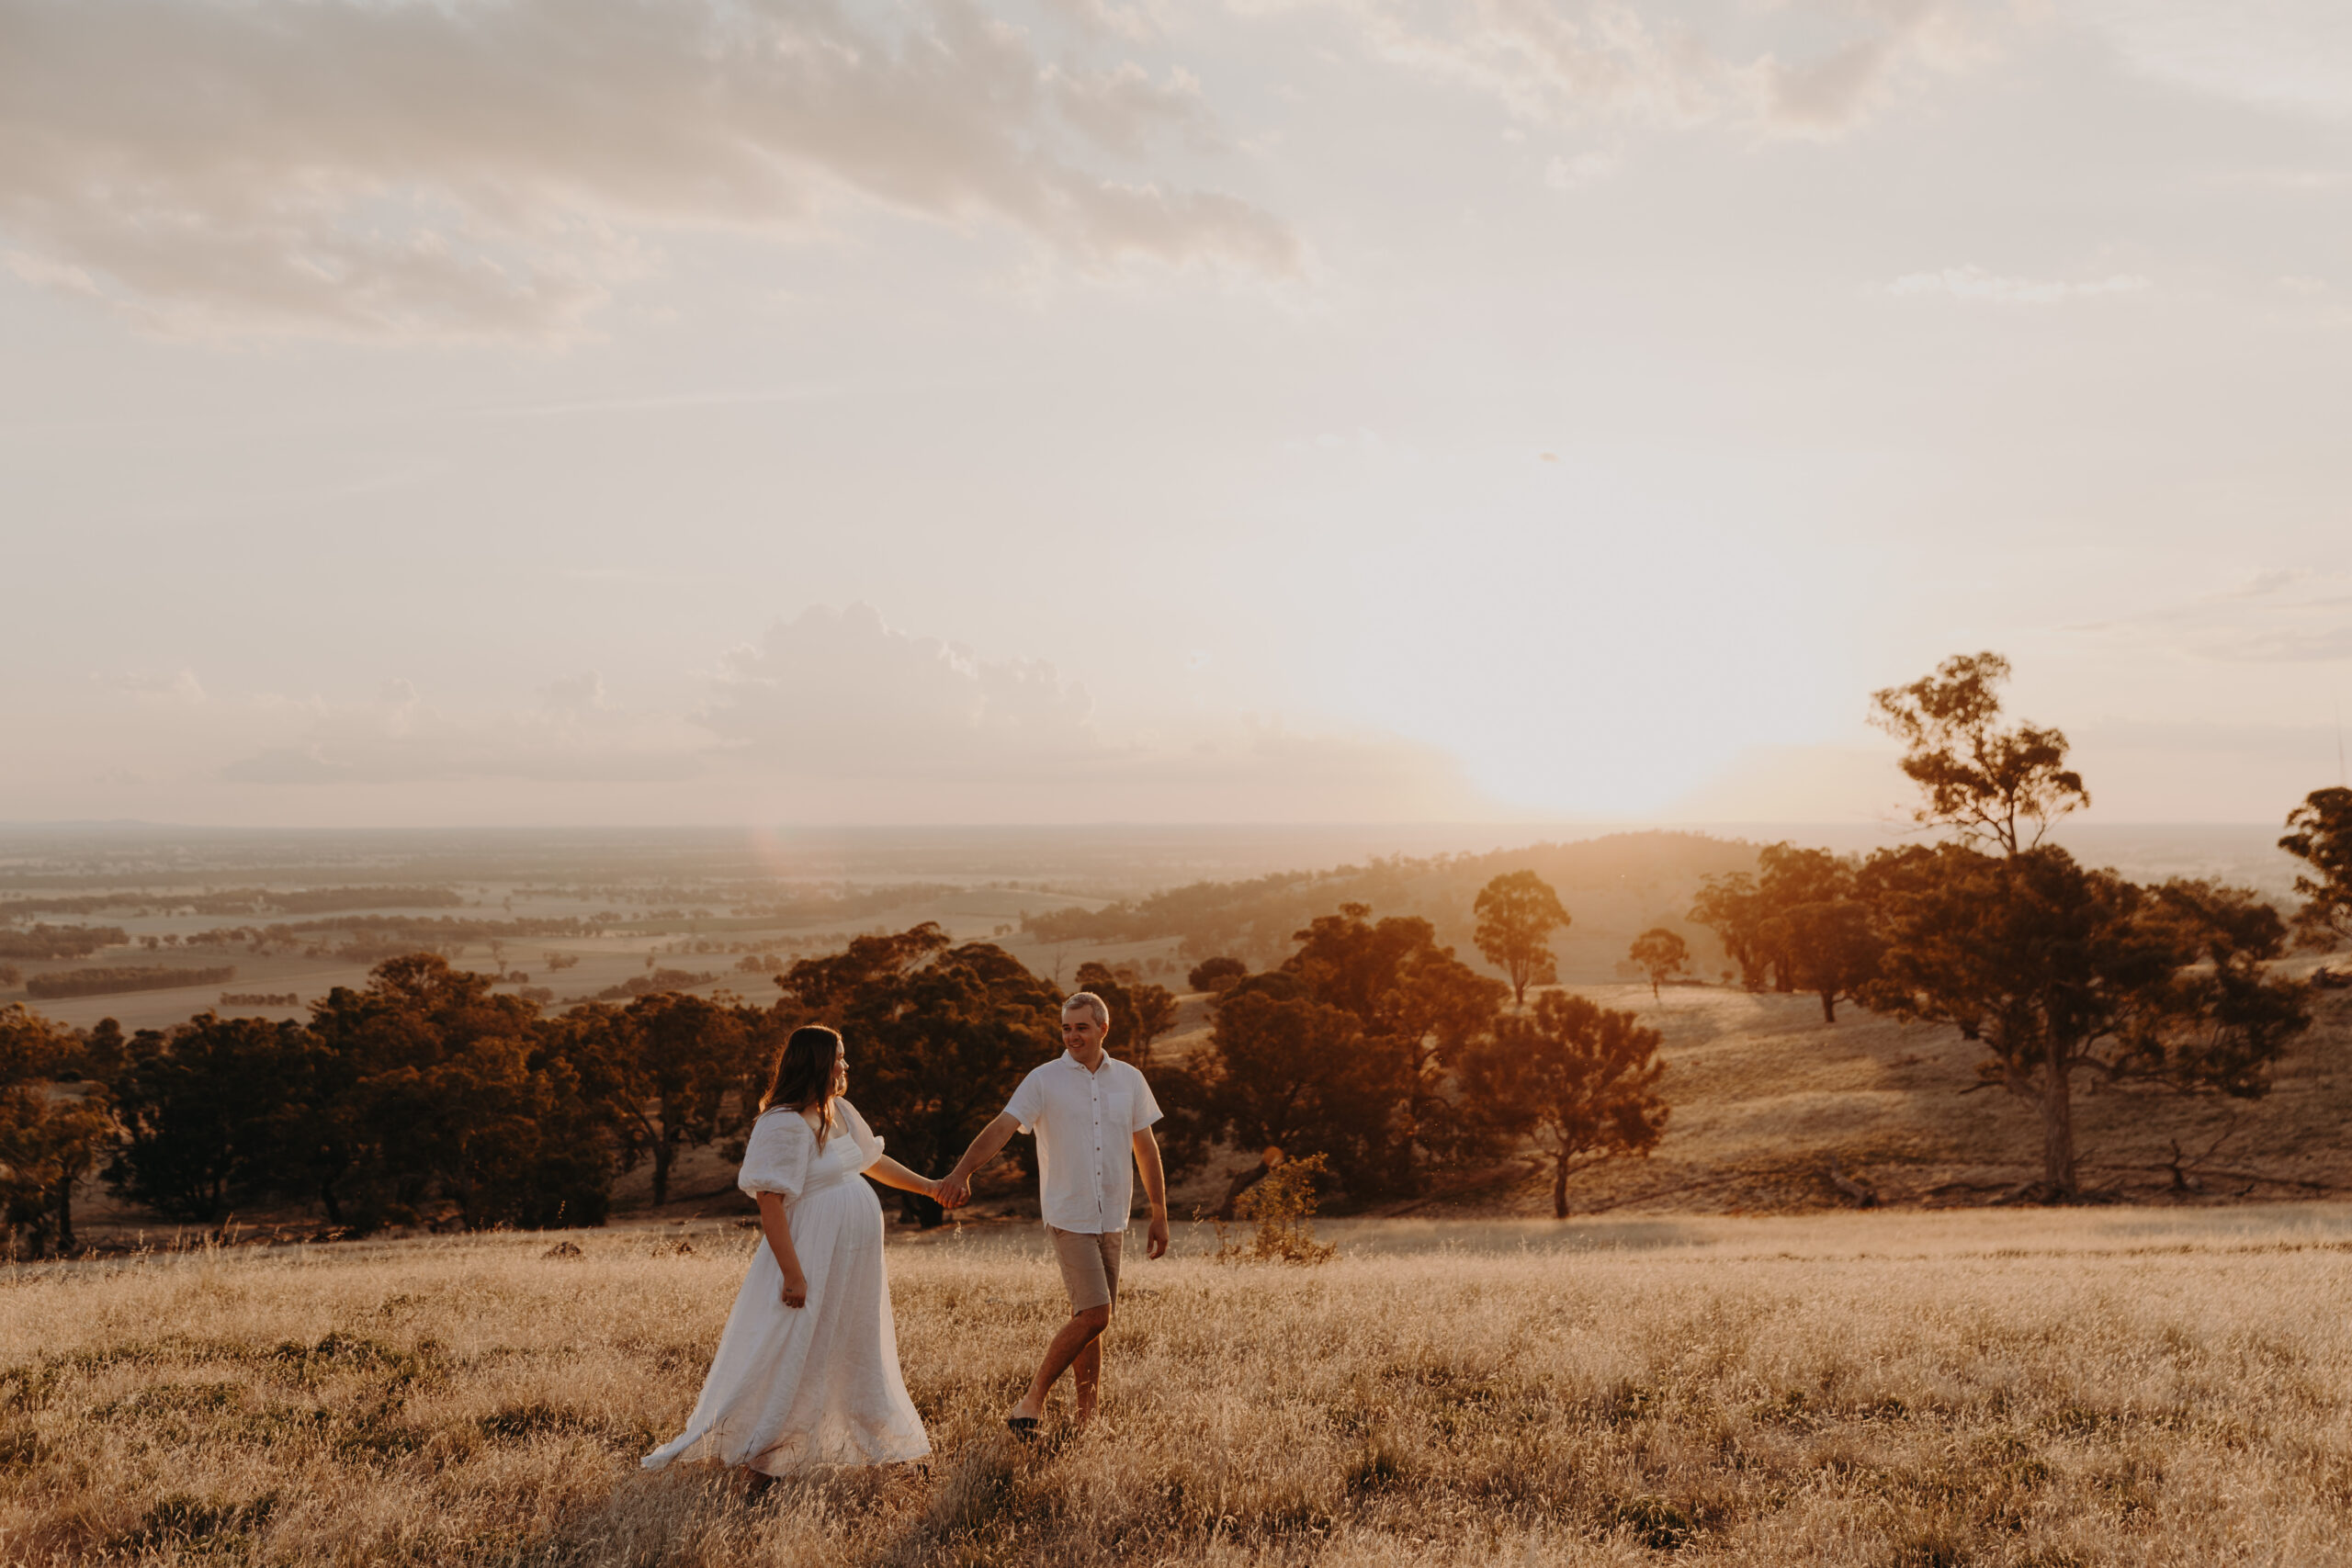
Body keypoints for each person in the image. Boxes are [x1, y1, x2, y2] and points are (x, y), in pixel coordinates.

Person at [642, 1024, 943, 1475]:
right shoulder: (782, 1122)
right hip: (810, 1255)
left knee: (854, 1345)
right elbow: (770, 1202)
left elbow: (873, 1161)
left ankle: (878, 1446)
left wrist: (929, 1188)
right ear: (817, 1062)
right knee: (796, 1348)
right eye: (839, 1057)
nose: (846, 1065)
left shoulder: (838, 1110)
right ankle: (766, 1457)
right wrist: (794, 1274)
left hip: (852, 1262)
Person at [937, 989, 1168, 1437]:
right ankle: (1032, 1400)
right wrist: (963, 1171)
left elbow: (1146, 1146)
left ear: (1103, 1028)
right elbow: (1002, 1127)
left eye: (1081, 1026)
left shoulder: (1130, 1080)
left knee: (1091, 1319)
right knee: (1097, 1313)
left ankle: (1087, 1422)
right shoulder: (1043, 1079)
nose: (1072, 1035)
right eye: (1065, 1027)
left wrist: (1159, 1211)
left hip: (1113, 1215)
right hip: (1069, 1213)